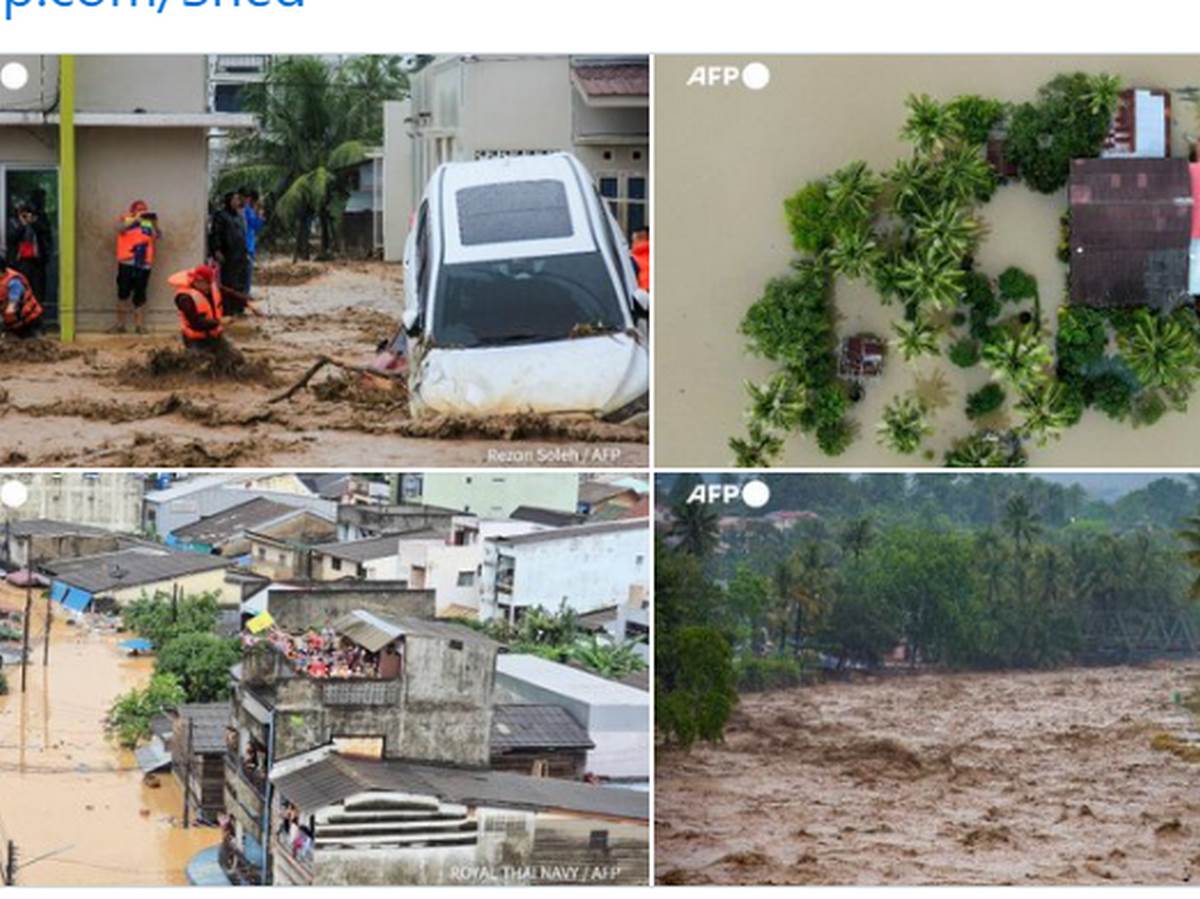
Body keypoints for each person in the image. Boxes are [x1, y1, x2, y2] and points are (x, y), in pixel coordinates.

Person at [114, 200, 162, 334]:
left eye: (144, 209)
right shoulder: (126, 220)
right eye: (139, 209)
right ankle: (120, 325)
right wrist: (136, 219)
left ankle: (139, 326)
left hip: (143, 264)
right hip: (127, 262)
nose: (142, 211)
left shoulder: (148, 224)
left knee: (140, 295)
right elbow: (119, 229)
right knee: (122, 293)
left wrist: (155, 224)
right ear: (132, 210)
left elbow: (159, 236)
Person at [209, 191, 250, 315]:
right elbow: (215, 233)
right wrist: (216, 250)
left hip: (241, 255)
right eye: (236, 199)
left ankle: (239, 308)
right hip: (228, 255)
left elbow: (242, 236)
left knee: (241, 283)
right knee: (228, 283)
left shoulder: (239, 216)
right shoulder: (221, 215)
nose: (238, 202)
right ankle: (227, 310)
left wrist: (246, 252)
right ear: (229, 201)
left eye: (239, 199)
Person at [170, 264, 226, 351]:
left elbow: (227, 292)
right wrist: (219, 322)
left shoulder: (210, 288)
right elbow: (196, 323)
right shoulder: (185, 298)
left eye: (210, 283)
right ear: (198, 281)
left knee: (235, 359)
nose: (209, 287)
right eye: (207, 283)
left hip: (214, 335)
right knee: (200, 363)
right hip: (195, 339)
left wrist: (245, 301)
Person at [1, 252, 44, 339]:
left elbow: (13, 303)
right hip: (12, 325)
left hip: (30, 322)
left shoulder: (14, 281)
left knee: (34, 347)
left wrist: (9, 309)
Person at [242, 189, 266, 291]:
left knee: (248, 272)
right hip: (247, 246)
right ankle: (245, 294)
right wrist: (260, 217)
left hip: (250, 245)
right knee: (247, 273)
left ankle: (246, 293)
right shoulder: (248, 210)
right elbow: (255, 226)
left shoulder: (249, 210)